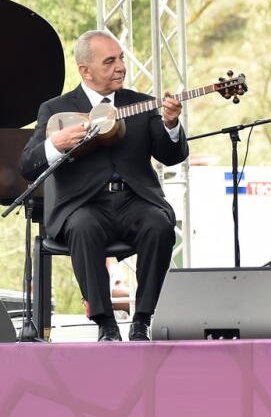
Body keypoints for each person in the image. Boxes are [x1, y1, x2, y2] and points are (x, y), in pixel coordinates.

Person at [20, 30, 188, 342]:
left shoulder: (141, 104)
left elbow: (172, 156)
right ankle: (105, 324)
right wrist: (55, 143)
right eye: (109, 61)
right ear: (85, 71)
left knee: (158, 225)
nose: (121, 67)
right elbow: (27, 166)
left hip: (135, 200)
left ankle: (142, 319)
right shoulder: (56, 109)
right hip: (82, 204)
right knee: (83, 227)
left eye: (121, 58)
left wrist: (171, 124)